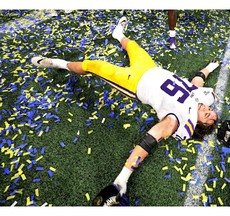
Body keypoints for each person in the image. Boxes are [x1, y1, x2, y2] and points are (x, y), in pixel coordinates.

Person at [31, 16, 220, 200]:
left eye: (208, 117)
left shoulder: (176, 120)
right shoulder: (197, 98)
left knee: (93, 65)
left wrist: (123, 178)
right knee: (133, 46)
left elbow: (148, 142)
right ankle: (118, 34)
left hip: (132, 82)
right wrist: (209, 68)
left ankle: (57, 63)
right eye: (212, 112)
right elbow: (198, 80)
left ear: (198, 125)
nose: (209, 111)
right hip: (149, 68)